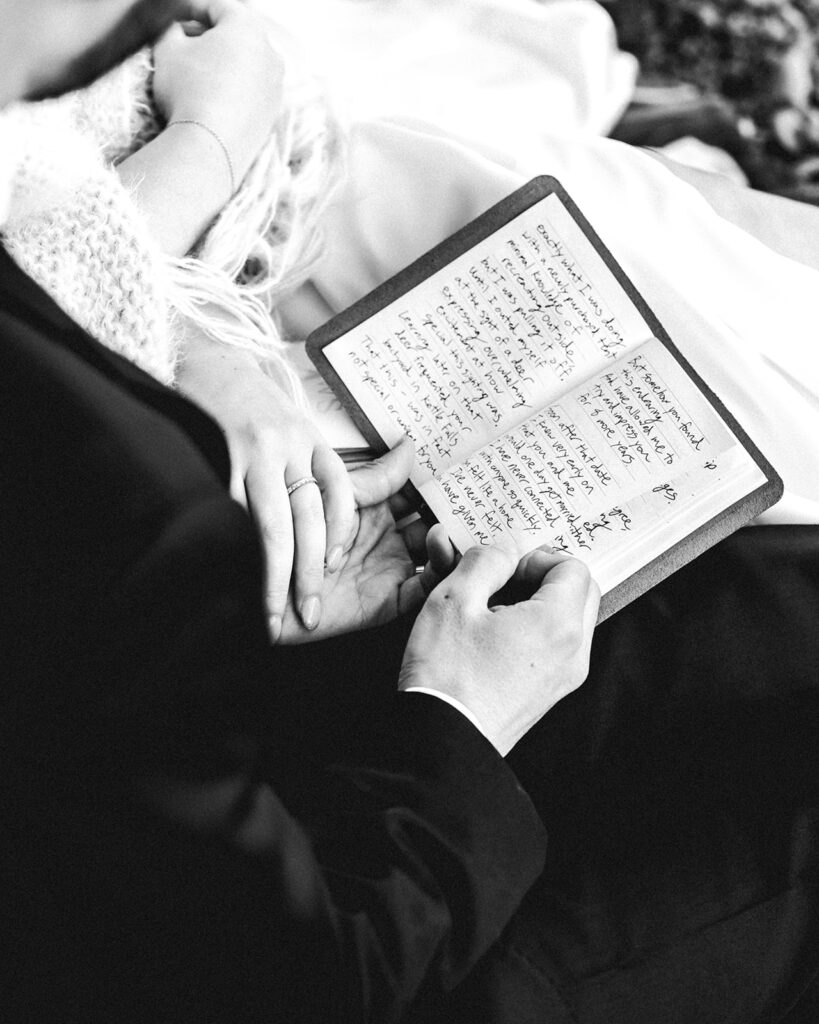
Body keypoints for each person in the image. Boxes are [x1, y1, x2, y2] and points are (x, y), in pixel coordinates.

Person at [2, 4, 819, 1024]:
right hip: (349, 908)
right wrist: (460, 714)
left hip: (213, 678)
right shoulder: (129, 532)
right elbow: (290, 983)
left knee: (746, 585)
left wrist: (190, 339)